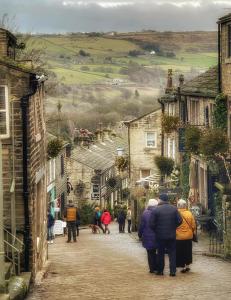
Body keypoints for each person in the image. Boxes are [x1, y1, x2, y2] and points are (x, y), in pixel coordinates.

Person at [149, 194, 182, 276]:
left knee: (160, 253)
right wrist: (173, 227)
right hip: (171, 235)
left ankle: (160, 271)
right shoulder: (174, 209)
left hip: (160, 236)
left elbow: (151, 224)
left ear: (160, 200)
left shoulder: (156, 210)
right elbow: (180, 220)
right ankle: (172, 271)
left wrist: (156, 230)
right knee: (172, 253)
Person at [138, 199, 159, 274]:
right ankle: (157, 267)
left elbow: (141, 226)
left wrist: (139, 234)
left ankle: (152, 269)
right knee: (157, 252)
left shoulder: (145, 213)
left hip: (147, 236)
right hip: (157, 236)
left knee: (150, 253)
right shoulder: (158, 213)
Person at [176, 199, 196, 273]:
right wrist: (192, 231)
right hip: (188, 236)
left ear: (178, 206)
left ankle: (182, 266)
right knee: (188, 251)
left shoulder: (176, 213)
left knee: (180, 252)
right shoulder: (189, 213)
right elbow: (193, 225)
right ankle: (187, 266)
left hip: (178, 236)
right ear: (185, 206)